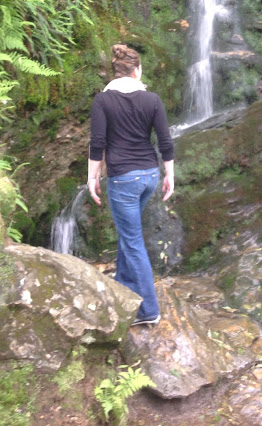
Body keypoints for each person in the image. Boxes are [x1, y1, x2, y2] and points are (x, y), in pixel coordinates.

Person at [87, 44, 174, 326]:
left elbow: (98, 143)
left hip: (123, 178)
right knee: (129, 234)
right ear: (137, 71)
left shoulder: (103, 100)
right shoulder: (152, 99)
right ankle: (123, 284)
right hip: (149, 175)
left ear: (116, 72)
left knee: (133, 240)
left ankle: (148, 310)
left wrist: (92, 177)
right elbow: (165, 141)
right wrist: (170, 175)